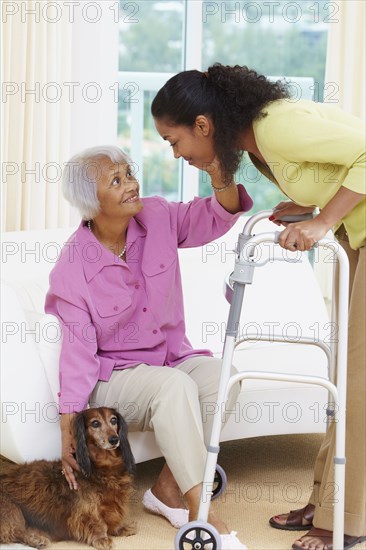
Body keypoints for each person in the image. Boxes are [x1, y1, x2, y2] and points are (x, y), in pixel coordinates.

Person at [151, 63, 366, 550]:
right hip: (359, 234)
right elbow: (336, 170)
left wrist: (320, 224)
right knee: (348, 378)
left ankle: (346, 521)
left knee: (359, 382)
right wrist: (312, 211)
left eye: (173, 141)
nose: (176, 153)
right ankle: (328, 500)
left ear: (202, 126)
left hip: (358, 231)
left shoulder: (277, 126)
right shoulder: (256, 142)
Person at [45, 145, 254, 549]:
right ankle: (202, 514)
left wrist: (220, 174)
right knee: (172, 387)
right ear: (92, 202)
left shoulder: (156, 215)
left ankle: (167, 490)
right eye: (116, 180)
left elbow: (216, 214)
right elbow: (77, 354)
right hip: (114, 380)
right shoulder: (72, 269)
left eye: (129, 173)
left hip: (169, 358)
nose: (131, 185)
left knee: (222, 376)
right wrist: (68, 427)